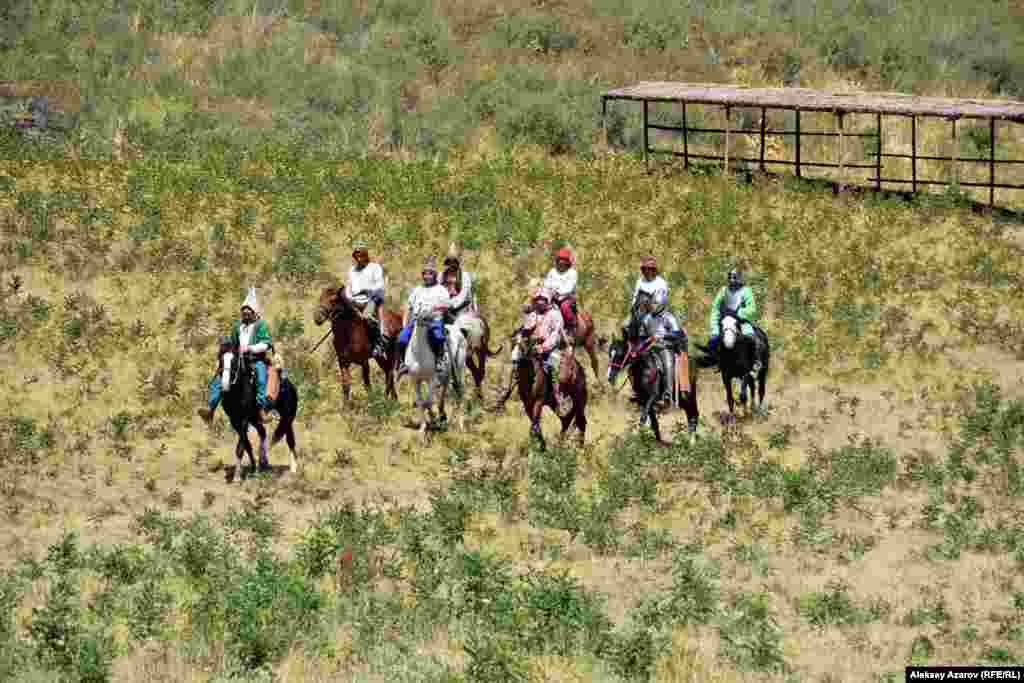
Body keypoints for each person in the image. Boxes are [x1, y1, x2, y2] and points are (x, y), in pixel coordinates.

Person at [198, 287, 275, 423]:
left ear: (253, 312)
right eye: (243, 312)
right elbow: (232, 343)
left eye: (248, 312)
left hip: (255, 359)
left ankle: (262, 410)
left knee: (261, 378)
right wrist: (225, 346)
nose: (245, 314)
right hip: (237, 359)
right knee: (220, 377)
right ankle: (210, 408)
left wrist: (250, 348)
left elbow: (266, 343)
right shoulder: (237, 326)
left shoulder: (260, 325)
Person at [519, 287, 573, 417]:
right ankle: (510, 391)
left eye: (543, 300)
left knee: (553, 366)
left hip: (551, 349)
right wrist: (522, 339)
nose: (540, 302)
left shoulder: (555, 314)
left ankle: (558, 397)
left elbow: (556, 335)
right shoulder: (533, 314)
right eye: (537, 300)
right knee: (517, 362)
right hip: (532, 347)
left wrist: (544, 347)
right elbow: (526, 329)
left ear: (547, 301)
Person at [395, 257, 452, 375]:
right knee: (401, 338)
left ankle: (440, 361)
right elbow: (408, 306)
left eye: (430, 274)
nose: (427, 276)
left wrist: (437, 308)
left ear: (434, 275)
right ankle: (402, 363)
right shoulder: (417, 290)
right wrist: (405, 323)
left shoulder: (441, 290)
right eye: (425, 274)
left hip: (434, 320)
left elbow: (447, 305)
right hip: (417, 320)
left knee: (438, 336)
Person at [708, 268, 763, 377]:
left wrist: (739, 313)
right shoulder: (723, 290)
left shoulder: (746, 291)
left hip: (741, 321)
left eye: (734, 277)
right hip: (725, 321)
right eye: (730, 278)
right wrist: (715, 328)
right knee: (713, 340)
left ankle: (755, 362)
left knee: (753, 338)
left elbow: (752, 308)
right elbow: (715, 308)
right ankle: (717, 362)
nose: (732, 280)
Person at [345, 239, 388, 360]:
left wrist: (366, 289)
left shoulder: (375, 268)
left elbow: (380, 286)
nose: (359, 257)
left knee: (368, 318)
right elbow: (348, 286)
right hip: (354, 301)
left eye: (361, 254)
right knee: (339, 315)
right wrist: (349, 297)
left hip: (371, 299)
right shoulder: (352, 270)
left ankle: (378, 345)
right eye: (357, 254)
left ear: (366, 254)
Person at [622, 255, 670, 340]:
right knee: (625, 326)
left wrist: (647, 307)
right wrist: (634, 310)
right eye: (644, 269)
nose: (646, 271)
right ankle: (630, 347)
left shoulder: (661, 284)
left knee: (645, 328)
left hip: (654, 315)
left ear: (654, 270)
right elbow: (635, 297)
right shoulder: (640, 281)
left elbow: (658, 305)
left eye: (649, 268)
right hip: (639, 311)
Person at [544, 246, 579, 341]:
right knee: (541, 304)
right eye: (560, 259)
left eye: (563, 260)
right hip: (552, 295)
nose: (561, 262)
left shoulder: (572, 273)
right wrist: (549, 290)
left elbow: (570, 287)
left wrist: (559, 292)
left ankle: (571, 327)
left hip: (567, 297)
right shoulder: (552, 271)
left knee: (564, 307)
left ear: (567, 261)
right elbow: (547, 282)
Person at [442, 242, 477, 325]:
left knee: (464, 326)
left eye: (454, 262)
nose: (452, 264)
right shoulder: (441, 275)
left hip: (461, 307)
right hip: (443, 306)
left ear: (457, 263)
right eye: (449, 262)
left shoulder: (465, 276)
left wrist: (452, 304)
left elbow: (463, 295)